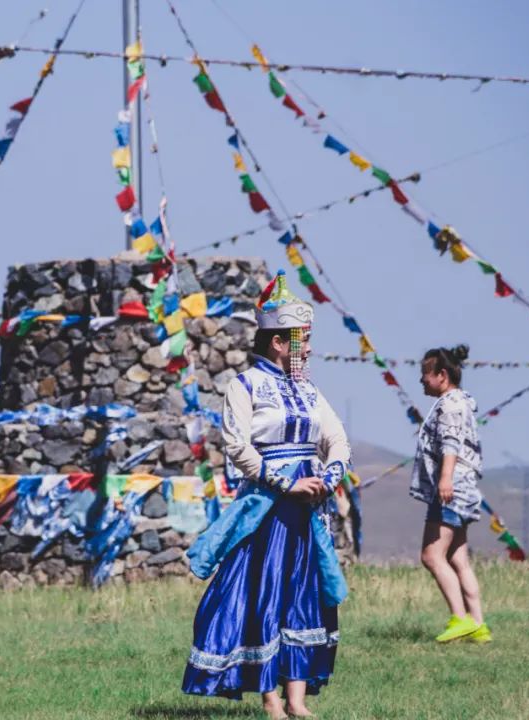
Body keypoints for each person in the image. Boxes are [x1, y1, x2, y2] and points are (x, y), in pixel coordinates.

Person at [184, 270, 350, 719]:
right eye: (303, 339)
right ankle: (270, 699)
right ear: (279, 342)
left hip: (309, 509)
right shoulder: (246, 386)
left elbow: (337, 438)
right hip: (268, 508)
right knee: (267, 592)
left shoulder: (310, 391)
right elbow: (238, 445)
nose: (309, 348)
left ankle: (297, 700)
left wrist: (329, 475)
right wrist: (286, 482)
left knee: (306, 594)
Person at [411, 344, 490, 644]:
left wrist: (445, 479)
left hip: (451, 489)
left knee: (431, 555)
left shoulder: (449, 405)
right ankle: (479, 624)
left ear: (442, 375)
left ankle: (460, 618)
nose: (421, 381)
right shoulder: (463, 402)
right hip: (465, 488)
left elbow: (451, 443)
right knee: (458, 558)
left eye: (425, 375)